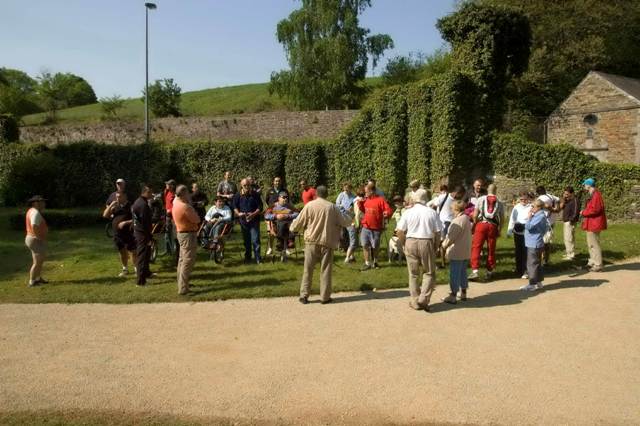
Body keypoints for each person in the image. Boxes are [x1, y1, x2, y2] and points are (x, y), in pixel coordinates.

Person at [291, 185, 352, 304]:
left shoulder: (309, 205)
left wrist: (292, 227)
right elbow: (345, 222)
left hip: (311, 241)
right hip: (327, 241)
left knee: (308, 269)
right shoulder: (332, 207)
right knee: (326, 270)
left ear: (316, 194)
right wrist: (351, 216)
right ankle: (325, 297)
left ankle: (304, 295)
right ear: (327, 194)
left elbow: (299, 221)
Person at [395, 189, 442, 311]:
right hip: (426, 241)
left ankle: (415, 301)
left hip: (410, 240)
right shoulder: (432, 212)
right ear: (425, 199)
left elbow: (399, 231)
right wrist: (436, 246)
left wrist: (405, 243)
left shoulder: (408, 212)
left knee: (413, 273)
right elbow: (438, 233)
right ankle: (423, 299)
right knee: (429, 272)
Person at [469, 183, 504, 281]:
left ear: (487, 189)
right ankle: (489, 271)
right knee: (491, 248)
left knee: (476, 247)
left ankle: (475, 271)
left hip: (481, 224)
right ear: (496, 190)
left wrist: (475, 224)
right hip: (492, 226)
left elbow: (475, 215)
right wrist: (500, 229)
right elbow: (502, 218)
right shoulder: (499, 202)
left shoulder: (481, 199)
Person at [441, 200, 473, 304]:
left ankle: (453, 295)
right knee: (463, 272)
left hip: (457, 251)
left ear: (456, 209)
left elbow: (451, 238)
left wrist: (443, 245)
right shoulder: (467, 218)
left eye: (452, 208)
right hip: (466, 249)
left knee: (454, 273)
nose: (451, 210)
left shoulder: (457, 221)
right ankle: (463, 293)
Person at [173, 185, 201, 295]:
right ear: (184, 193)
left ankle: (182, 283)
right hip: (188, 235)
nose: (189, 195)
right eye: (188, 193)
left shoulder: (176, 203)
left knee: (182, 259)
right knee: (187, 260)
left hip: (181, 233)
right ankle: (183, 287)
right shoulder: (185, 207)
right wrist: (191, 206)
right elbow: (197, 219)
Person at [358, 183, 393, 270]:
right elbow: (363, 210)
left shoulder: (380, 200)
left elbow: (389, 210)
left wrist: (387, 213)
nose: (365, 193)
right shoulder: (366, 200)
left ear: (372, 191)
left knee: (375, 246)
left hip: (376, 228)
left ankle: (375, 262)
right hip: (365, 227)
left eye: (366, 192)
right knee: (365, 245)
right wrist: (360, 204)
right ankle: (367, 263)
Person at [102, 191, 136, 277]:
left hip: (129, 233)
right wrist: (110, 205)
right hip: (117, 234)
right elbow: (105, 215)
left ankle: (136, 269)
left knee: (133, 251)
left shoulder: (131, 206)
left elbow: (136, 219)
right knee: (121, 251)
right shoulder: (115, 206)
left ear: (125, 197)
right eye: (116, 197)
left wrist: (125, 222)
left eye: (119, 197)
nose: (117, 198)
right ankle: (125, 269)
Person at [233, 178, 263, 264]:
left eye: (248, 185)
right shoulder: (237, 195)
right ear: (241, 186)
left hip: (254, 220)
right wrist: (238, 214)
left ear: (250, 185)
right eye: (244, 185)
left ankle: (258, 258)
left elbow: (260, 207)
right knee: (246, 241)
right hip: (243, 221)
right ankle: (248, 258)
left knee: (255, 240)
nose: (246, 187)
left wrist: (253, 214)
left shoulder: (255, 194)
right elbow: (234, 206)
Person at [580, 178, 607, 272]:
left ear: (589, 185)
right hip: (592, 222)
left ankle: (598, 264)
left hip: (595, 223)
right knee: (591, 244)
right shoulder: (593, 195)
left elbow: (596, 209)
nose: (584, 187)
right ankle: (592, 262)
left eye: (584, 185)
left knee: (594, 244)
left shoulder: (596, 195)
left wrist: (584, 212)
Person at [520, 199, 548, 291]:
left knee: (532, 264)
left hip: (534, 243)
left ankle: (532, 284)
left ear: (538, 207)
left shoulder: (540, 216)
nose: (531, 208)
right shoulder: (539, 215)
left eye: (533, 206)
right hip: (535, 242)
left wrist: (529, 217)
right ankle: (539, 282)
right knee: (537, 264)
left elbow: (529, 226)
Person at [264, 192, 299, 260]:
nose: (285, 199)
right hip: (276, 227)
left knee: (286, 222)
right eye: (283, 197)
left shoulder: (289, 206)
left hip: (288, 227)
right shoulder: (273, 206)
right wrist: (276, 216)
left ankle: (283, 242)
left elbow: (297, 213)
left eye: (286, 197)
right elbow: (266, 215)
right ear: (279, 198)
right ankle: (287, 241)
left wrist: (287, 216)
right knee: (281, 222)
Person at [132, 184, 154, 286]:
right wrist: (149, 236)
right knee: (142, 256)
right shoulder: (143, 205)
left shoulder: (139, 201)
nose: (151, 194)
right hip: (142, 234)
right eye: (149, 192)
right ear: (144, 192)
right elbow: (145, 222)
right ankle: (140, 281)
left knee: (146, 254)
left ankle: (146, 273)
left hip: (139, 232)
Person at [507, 191, 532, 279]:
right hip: (517, 231)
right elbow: (512, 219)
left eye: (525, 199)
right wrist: (509, 231)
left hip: (527, 232)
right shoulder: (516, 207)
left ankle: (525, 270)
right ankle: (518, 269)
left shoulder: (531, 207)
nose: (523, 201)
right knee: (518, 251)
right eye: (521, 199)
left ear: (528, 199)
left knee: (526, 252)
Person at [25, 195, 48, 287]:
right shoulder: (35, 213)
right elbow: (34, 225)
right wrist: (39, 237)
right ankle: (32, 281)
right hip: (34, 239)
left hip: (31, 238)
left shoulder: (31, 210)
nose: (44, 204)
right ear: (35, 203)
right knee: (37, 262)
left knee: (40, 260)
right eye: (41, 202)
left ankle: (38, 278)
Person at [536, 186, 560, 265]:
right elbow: (559, 200)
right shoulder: (551, 196)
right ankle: (546, 260)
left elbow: (545, 205)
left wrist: (552, 210)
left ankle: (541, 260)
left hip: (544, 221)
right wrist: (557, 209)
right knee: (547, 242)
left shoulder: (541, 198)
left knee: (541, 241)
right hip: (551, 221)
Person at [265, 177, 289, 255]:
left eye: (279, 181)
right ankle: (270, 248)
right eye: (276, 181)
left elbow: (288, 201)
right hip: (272, 214)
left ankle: (285, 248)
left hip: (283, 213)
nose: (277, 182)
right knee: (270, 233)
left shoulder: (285, 191)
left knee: (285, 231)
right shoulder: (269, 191)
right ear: (273, 182)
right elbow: (267, 201)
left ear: (280, 182)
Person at [335, 182, 357, 263]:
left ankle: (351, 255)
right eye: (345, 188)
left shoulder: (354, 196)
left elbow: (356, 207)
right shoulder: (341, 195)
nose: (346, 190)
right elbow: (337, 204)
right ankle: (347, 252)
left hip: (350, 218)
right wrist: (343, 208)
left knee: (351, 236)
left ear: (350, 188)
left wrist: (352, 209)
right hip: (342, 217)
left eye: (348, 188)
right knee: (343, 235)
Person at [560, 186, 580, 260]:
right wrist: (564, 200)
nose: (565, 195)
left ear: (572, 193)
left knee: (569, 238)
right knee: (567, 238)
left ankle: (570, 255)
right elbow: (561, 207)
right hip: (566, 221)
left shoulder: (575, 200)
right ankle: (569, 252)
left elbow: (576, 212)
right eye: (565, 194)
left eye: (567, 194)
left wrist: (571, 220)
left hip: (570, 222)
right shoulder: (567, 200)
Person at [164, 179, 177, 254]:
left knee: (175, 234)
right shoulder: (166, 191)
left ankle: (176, 249)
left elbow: (177, 205)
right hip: (168, 216)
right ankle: (168, 250)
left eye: (168, 184)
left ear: (172, 186)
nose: (166, 185)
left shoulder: (175, 194)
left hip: (174, 216)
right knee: (167, 232)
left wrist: (170, 210)